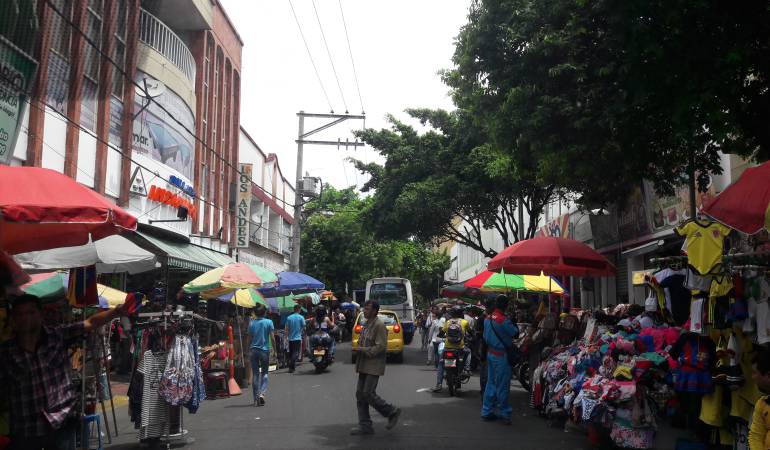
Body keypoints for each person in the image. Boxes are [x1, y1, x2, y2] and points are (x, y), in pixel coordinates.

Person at [0, 294, 129, 449]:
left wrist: (118, 311)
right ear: (13, 319)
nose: (25, 318)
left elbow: (90, 322)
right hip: (26, 431)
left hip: (61, 424)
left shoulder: (57, 335)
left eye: (30, 312)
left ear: (40, 315)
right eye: (20, 314)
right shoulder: (6, 352)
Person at [351, 300, 401, 435]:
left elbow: (381, 346)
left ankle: (391, 411)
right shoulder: (367, 323)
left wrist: (362, 349)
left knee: (368, 393)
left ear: (374, 311)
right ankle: (365, 425)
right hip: (364, 364)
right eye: (364, 309)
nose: (364, 311)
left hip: (374, 365)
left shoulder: (379, 325)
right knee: (360, 395)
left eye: (367, 309)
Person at [481, 295, 519, 425]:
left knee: (491, 382)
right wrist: (513, 321)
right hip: (501, 356)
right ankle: (504, 413)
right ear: (506, 306)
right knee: (502, 385)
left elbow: (485, 337)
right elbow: (515, 333)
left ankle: (486, 411)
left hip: (490, 354)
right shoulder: (503, 320)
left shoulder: (487, 318)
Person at [432, 306, 470, 392]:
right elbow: (471, 332)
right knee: (469, 352)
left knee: (441, 364)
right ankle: (467, 369)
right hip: (460, 348)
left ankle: (439, 384)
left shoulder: (448, 322)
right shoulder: (464, 322)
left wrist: (440, 336)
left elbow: (441, 333)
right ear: (461, 313)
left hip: (448, 348)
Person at [248, 305, 275, 407]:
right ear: (265, 313)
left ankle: (255, 398)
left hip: (253, 350)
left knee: (255, 374)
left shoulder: (251, 323)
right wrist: (275, 351)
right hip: (264, 351)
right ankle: (262, 394)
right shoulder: (269, 322)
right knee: (264, 373)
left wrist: (248, 350)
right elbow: (272, 338)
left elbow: (249, 338)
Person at [749, 348, 770, 450]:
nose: (753, 377)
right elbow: (756, 436)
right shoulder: (762, 404)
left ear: (768, 375)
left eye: (754, 372)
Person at [284, 304, 306, 373]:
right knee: (296, 353)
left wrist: (286, 337)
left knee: (291, 353)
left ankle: (292, 367)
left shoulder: (289, 318)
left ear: (294, 309)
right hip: (298, 338)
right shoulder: (301, 317)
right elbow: (304, 327)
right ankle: (291, 365)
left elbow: (286, 329)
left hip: (290, 338)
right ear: (299, 310)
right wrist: (303, 332)